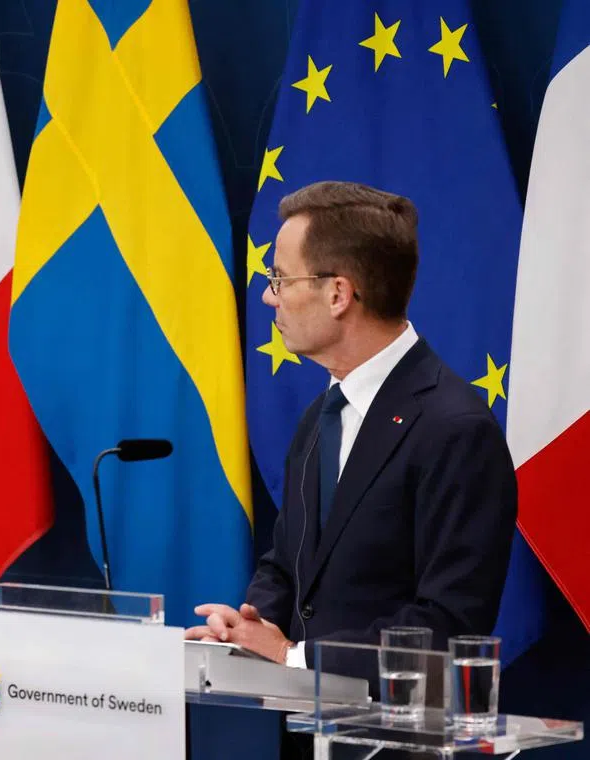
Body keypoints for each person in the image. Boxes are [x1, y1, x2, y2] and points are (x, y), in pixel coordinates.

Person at [186, 180, 516, 677]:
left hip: (397, 746)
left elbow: (451, 622)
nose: (268, 297)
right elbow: (288, 563)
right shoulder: (323, 413)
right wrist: (247, 626)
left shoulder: (456, 430)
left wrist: (292, 656)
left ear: (338, 293)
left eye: (280, 279)